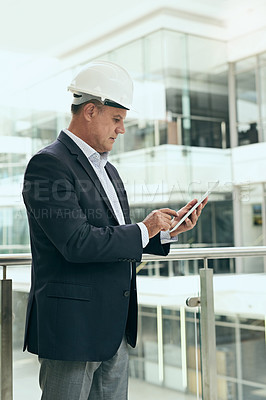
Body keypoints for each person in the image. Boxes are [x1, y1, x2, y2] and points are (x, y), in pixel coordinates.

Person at [22, 60, 207, 400]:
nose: (122, 129)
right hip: (73, 329)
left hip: (114, 327)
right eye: (117, 118)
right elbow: (76, 242)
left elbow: (116, 236)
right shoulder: (48, 165)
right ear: (90, 111)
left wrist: (164, 232)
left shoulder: (108, 169)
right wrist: (144, 228)